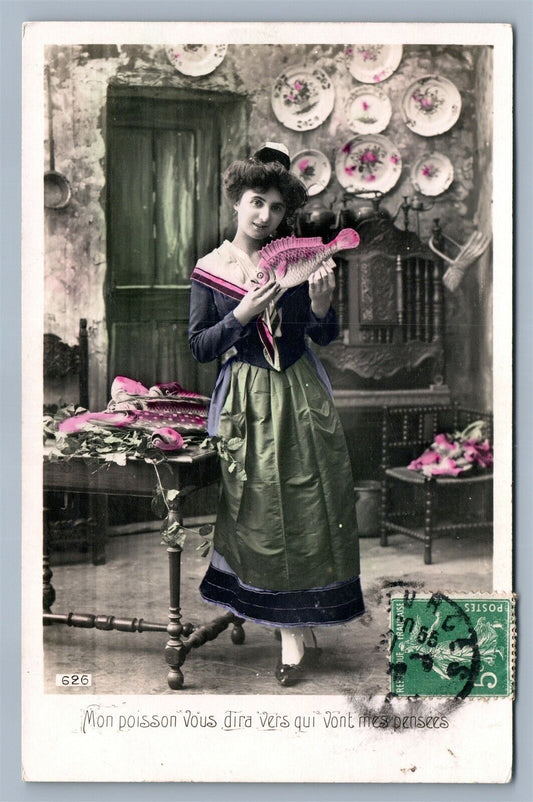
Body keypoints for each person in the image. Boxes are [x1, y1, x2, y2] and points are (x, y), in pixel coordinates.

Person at [188, 142, 364, 686]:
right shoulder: (211, 267)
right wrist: (240, 313)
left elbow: (326, 337)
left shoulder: (300, 259)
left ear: (288, 215)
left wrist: (319, 307)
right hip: (246, 398)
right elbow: (199, 346)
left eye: (277, 209)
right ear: (238, 201)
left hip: (302, 395)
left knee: (312, 501)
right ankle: (277, 619)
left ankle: (298, 623)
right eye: (255, 202)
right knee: (259, 509)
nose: (264, 216)